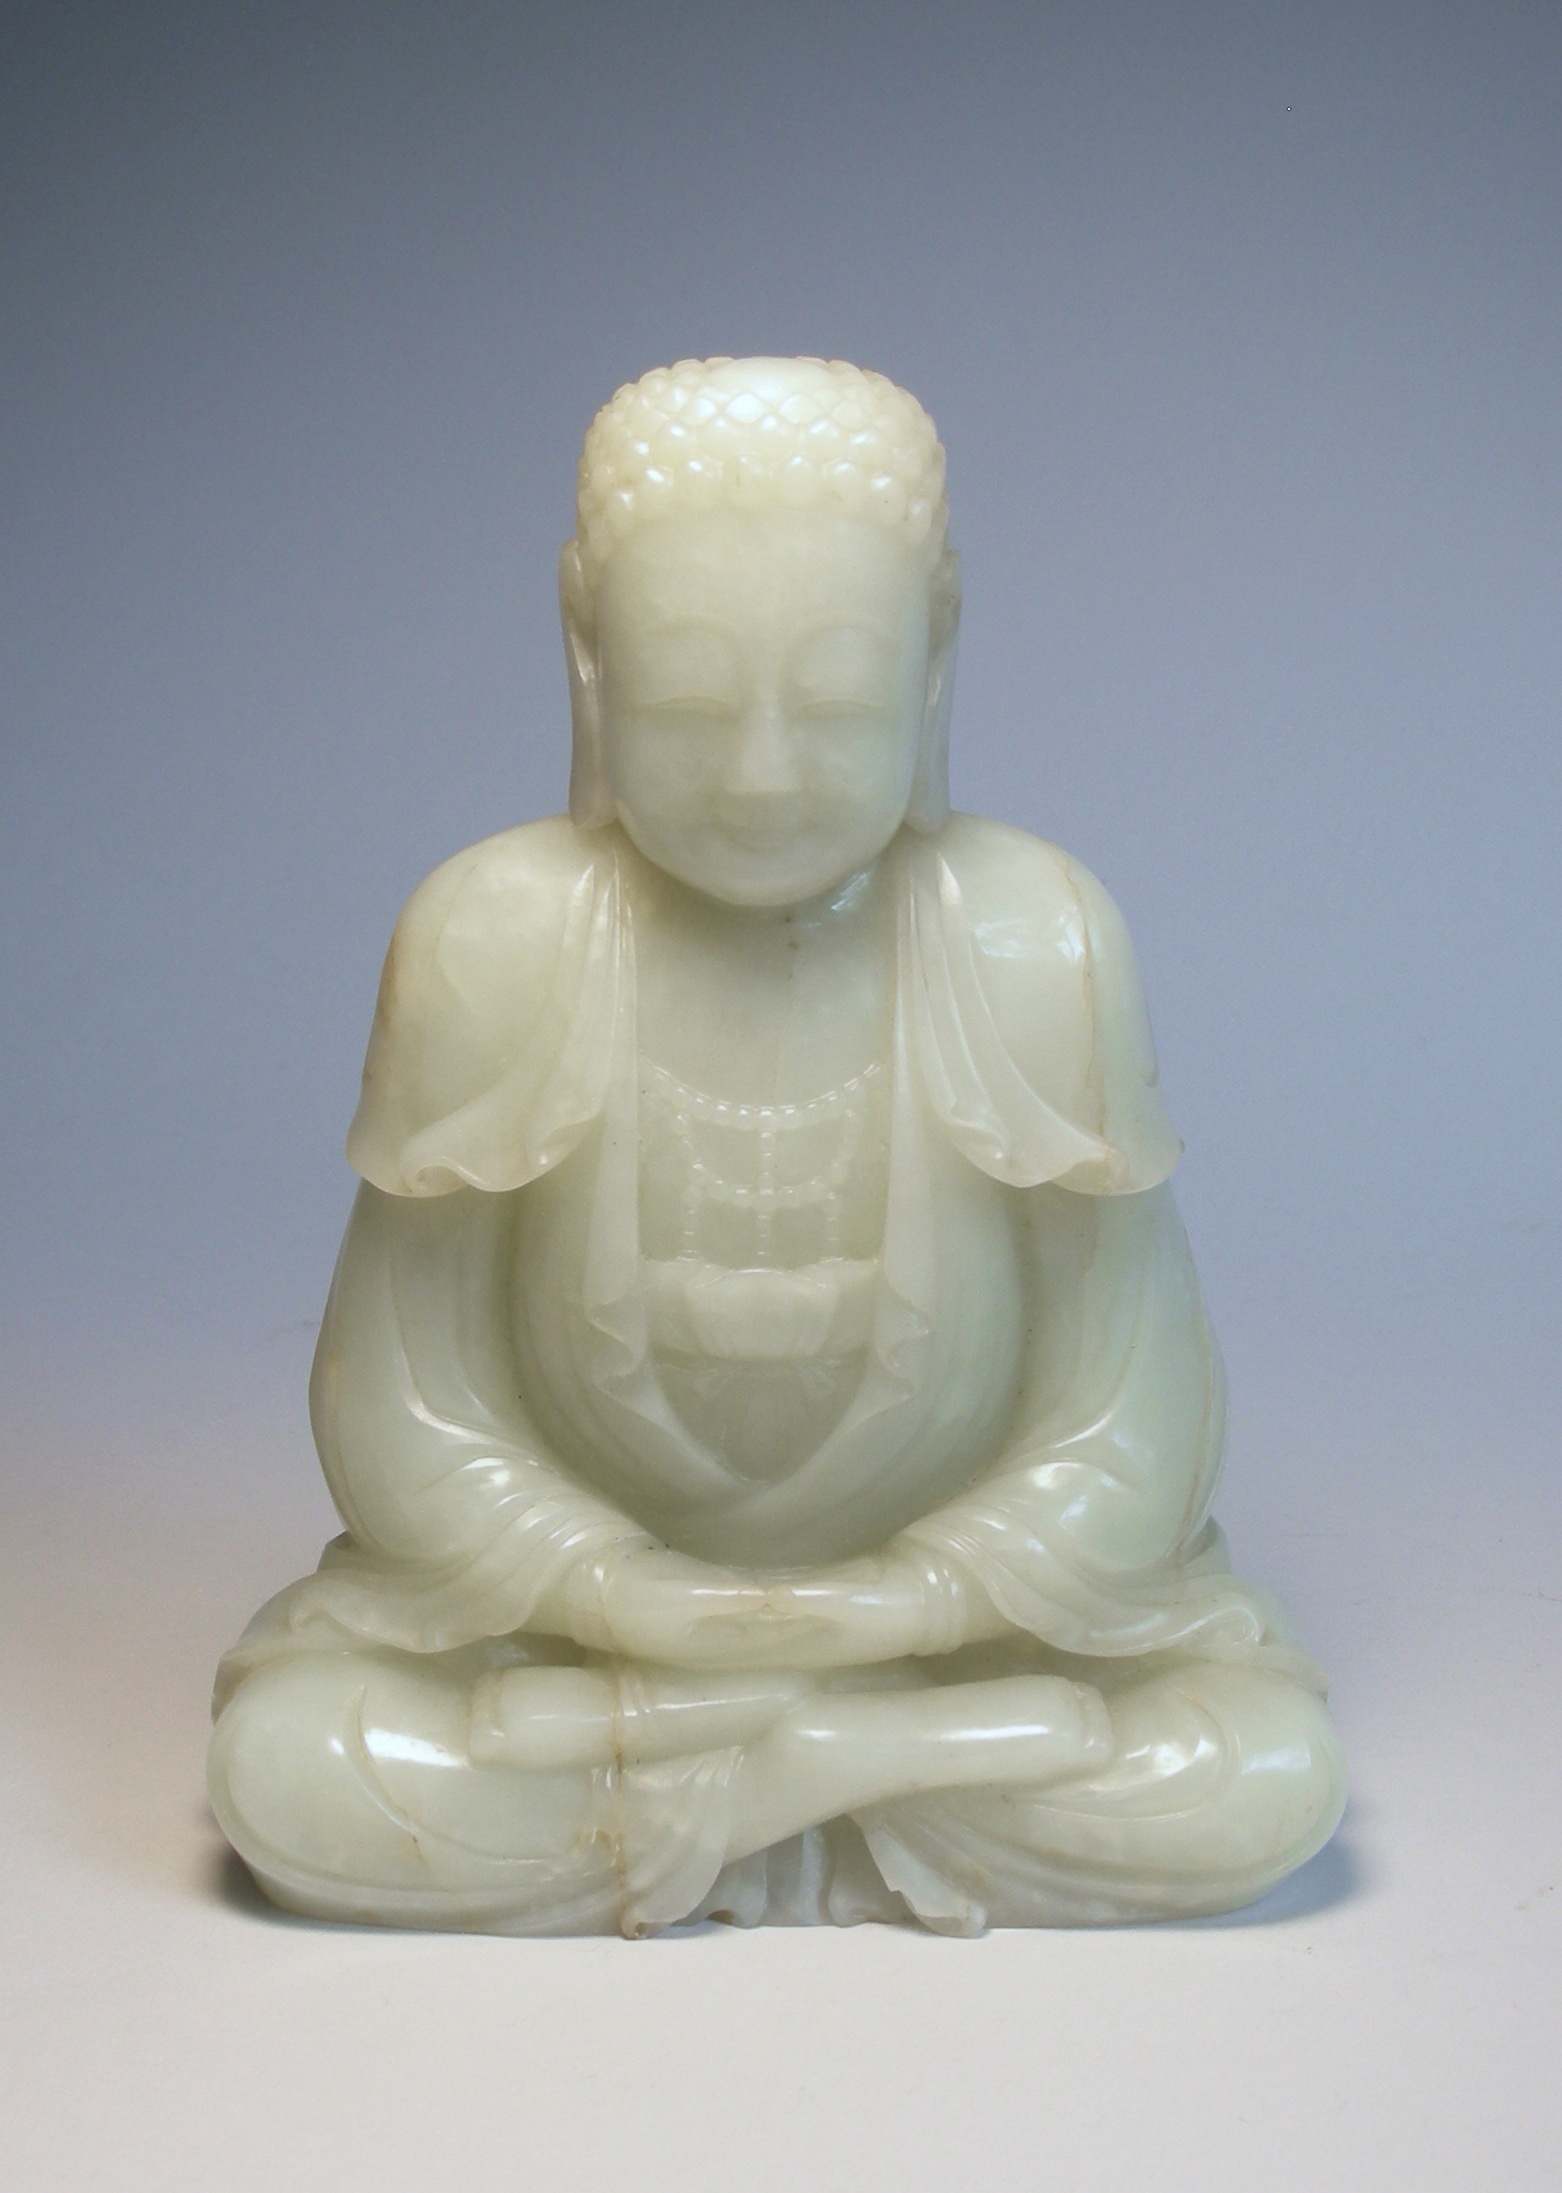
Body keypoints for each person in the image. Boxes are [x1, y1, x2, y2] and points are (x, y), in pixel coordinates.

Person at [209, 357, 1343, 1934]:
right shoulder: (498, 936)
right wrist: (608, 1588)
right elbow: (404, 1398)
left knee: (1255, 1769)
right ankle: (842, 1772)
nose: (759, 774)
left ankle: (771, 1774)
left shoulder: (1031, 939)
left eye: (830, 704)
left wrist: (916, 1597)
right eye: (686, 703)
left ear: (933, 654)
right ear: (585, 652)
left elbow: (1133, 1412)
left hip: (943, 1642)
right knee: (295, 1762)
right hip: (605, 1643)